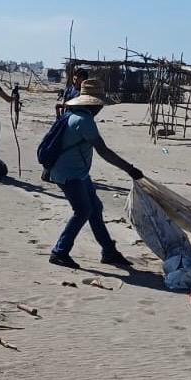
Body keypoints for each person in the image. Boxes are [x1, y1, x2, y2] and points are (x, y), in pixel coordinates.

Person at [46, 78, 144, 269]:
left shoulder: (72, 114)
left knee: (95, 208)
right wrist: (129, 169)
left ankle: (109, 251)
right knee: (83, 211)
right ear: (94, 103)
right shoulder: (84, 121)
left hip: (77, 172)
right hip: (69, 174)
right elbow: (103, 151)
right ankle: (60, 252)